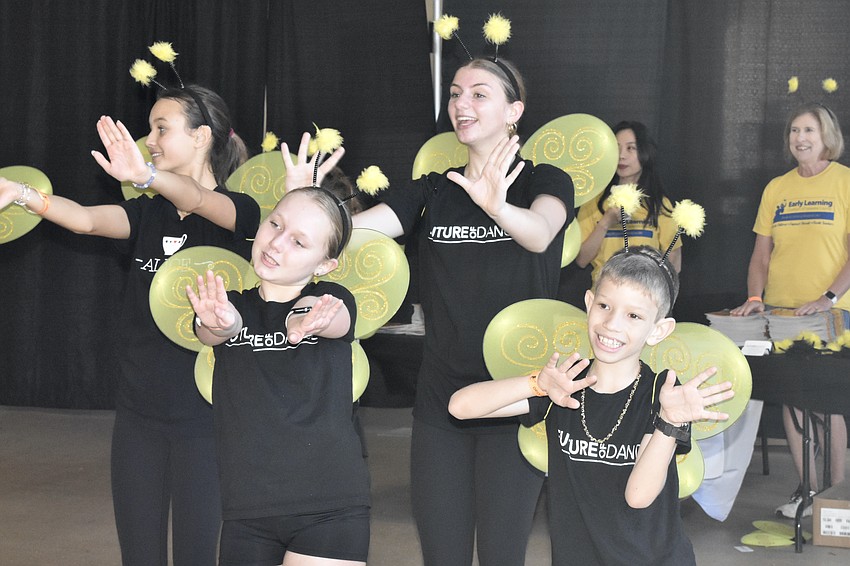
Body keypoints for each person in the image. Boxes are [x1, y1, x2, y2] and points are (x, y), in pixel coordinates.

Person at [0, 85, 261, 566]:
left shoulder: (239, 213)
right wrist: (20, 193)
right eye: (150, 130)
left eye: (162, 128)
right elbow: (82, 220)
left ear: (202, 136)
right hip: (139, 414)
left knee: (197, 554)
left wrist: (147, 174)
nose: (150, 138)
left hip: (206, 418)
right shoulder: (146, 213)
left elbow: (200, 198)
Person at [351, 57, 574, 565]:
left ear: (514, 110)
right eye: (455, 93)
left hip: (517, 398)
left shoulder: (546, 180)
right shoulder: (434, 189)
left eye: (479, 93)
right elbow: (358, 230)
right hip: (441, 398)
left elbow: (541, 235)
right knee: (442, 552)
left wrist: (498, 207)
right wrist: (311, 211)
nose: (461, 104)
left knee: (502, 553)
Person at [449, 246, 734, 565]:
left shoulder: (662, 393)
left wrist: (668, 422)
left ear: (658, 330)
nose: (612, 324)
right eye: (604, 305)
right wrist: (536, 385)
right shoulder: (564, 382)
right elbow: (460, 406)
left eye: (633, 315)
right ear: (589, 303)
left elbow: (638, 496)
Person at [186, 185, 370, 566]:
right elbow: (211, 330)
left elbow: (325, 315)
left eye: (299, 242)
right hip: (246, 511)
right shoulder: (232, 305)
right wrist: (226, 324)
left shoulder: (332, 298)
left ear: (324, 264)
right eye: (275, 224)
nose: (276, 243)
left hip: (328, 507)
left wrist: (306, 319)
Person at [730, 102, 849, 518]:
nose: (800, 138)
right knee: (793, 401)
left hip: (832, 316)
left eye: (809, 131)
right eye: (795, 131)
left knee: (826, 403)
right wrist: (755, 298)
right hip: (780, 314)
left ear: (826, 137)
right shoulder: (777, 189)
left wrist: (828, 298)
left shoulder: (845, 182)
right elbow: (761, 255)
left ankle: (835, 499)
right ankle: (807, 492)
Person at [576, 121, 682, 285]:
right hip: (604, 295)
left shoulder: (659, 204)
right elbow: (582, 260)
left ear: (645, 152)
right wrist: (605, 222)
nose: (622, 155)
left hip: (646, 298)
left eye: (630, 148)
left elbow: (674, 260)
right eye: (616, 148)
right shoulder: (593, 202)